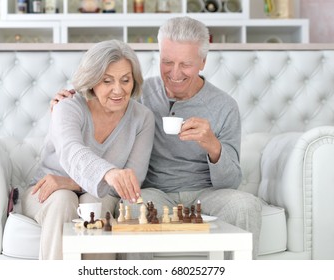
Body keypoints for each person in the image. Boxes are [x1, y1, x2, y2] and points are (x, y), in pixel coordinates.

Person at [52, 17, 262, 259]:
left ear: (203, 62)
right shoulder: (137, 94)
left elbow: (231, 181)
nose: (174, 73)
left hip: (207, 194)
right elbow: (100, 100)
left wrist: (213, 146)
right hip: (153, 192)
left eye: (186, 64)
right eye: (167, 62)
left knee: (247, 205)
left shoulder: (225, 106)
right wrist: (65, 103)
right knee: (132, 205)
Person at [22, 39, 155, 260]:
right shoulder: (68, 106)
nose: (118, 90)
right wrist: (109, 174)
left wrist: (70, 182)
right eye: (107, 81)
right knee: (63, 199)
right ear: (92, 81)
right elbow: (71, 151)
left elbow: (131, 182)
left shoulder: (142, 118)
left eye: (125, 80)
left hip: (96, 193)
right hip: (45, 191)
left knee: (96, 202)